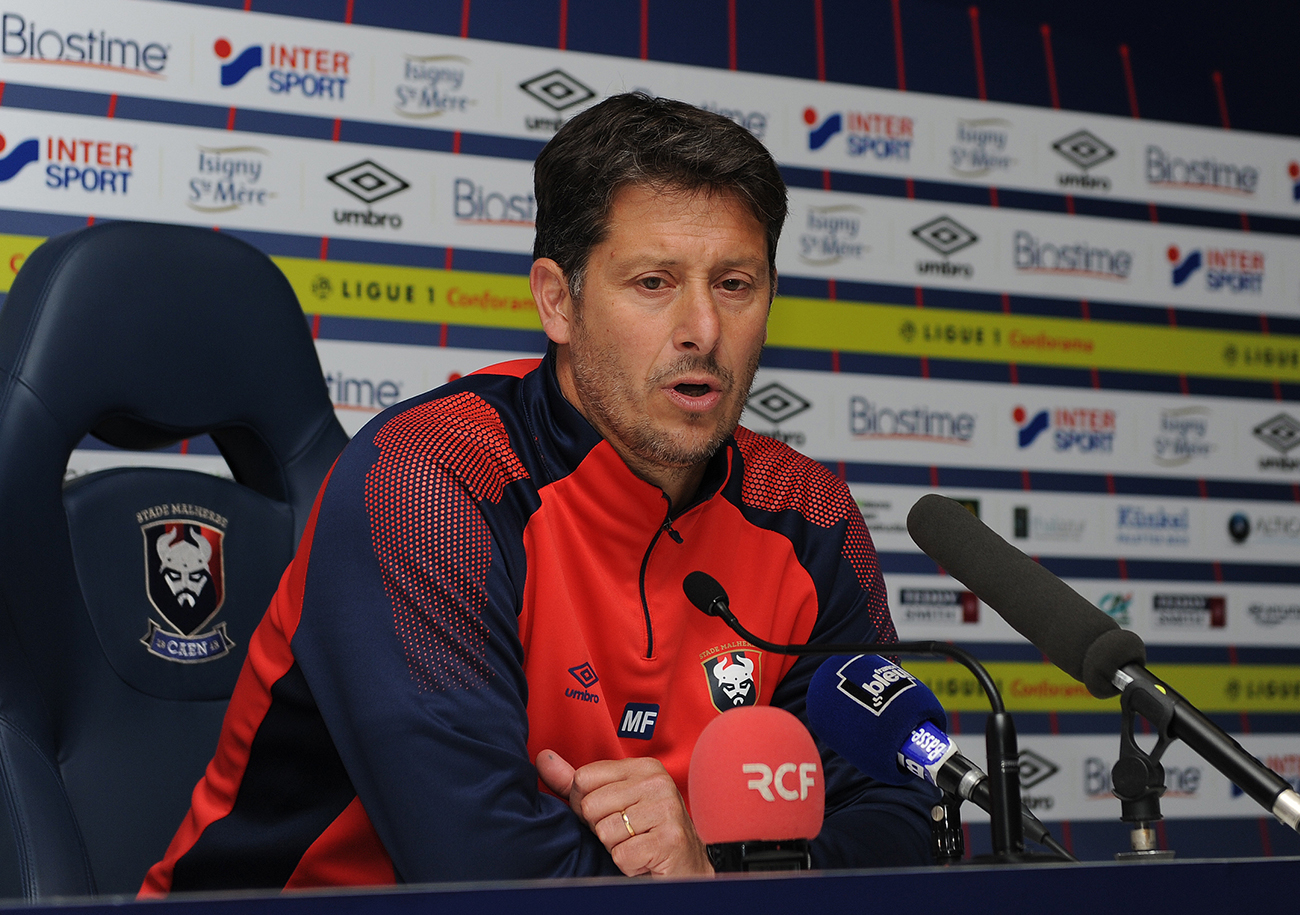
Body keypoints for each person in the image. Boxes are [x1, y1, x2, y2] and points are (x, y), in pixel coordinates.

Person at [140, 93, 935, 894]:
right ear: (558, 300)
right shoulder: (429, 482)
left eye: (735, 283)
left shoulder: (807, 514)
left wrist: (712, 864)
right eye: (654, 282)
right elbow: (479, 867)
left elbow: (910, 816)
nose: (702, 327)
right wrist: (715, 872)